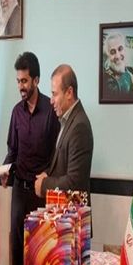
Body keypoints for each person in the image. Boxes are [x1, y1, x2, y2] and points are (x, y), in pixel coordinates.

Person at [1, 52, 60, 265]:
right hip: (19, 195)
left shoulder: (52, 111)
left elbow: (58, 158)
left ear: (36, 80)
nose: (21, 86)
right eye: (18, 81)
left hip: (42, 199)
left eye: (25, 81)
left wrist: (47, 176)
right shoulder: (16, 112)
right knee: (18, 261)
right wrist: (4, 171)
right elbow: (12, 153)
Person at [35, 64, 93, 196]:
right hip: (61, 207)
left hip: (73, 208)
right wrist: (47, 174)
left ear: (69, 93)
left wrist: (44, 185)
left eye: (54, 94)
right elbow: (60, 167)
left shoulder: (79, 126)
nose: (51, 101)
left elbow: (75, 183)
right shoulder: (66, 121)